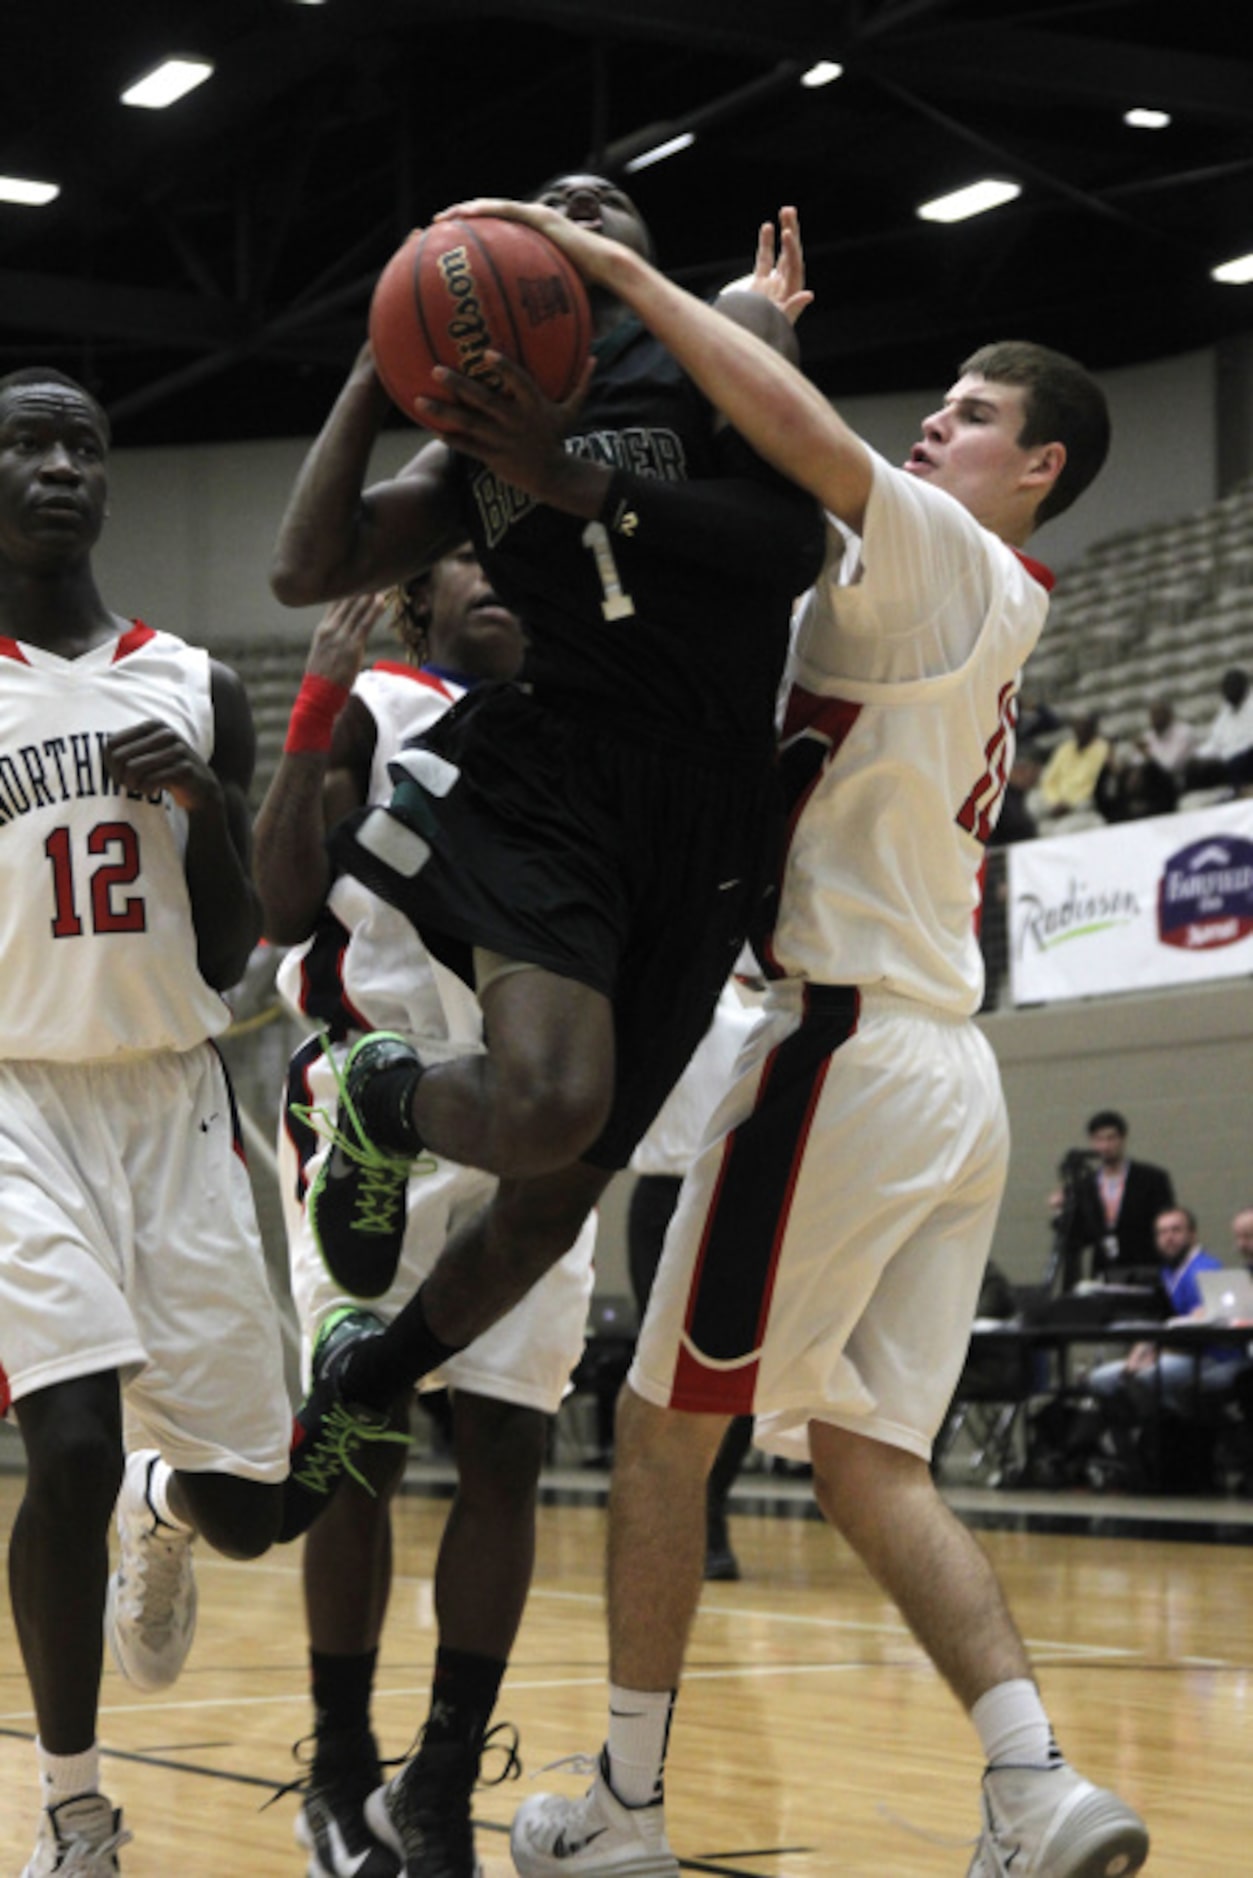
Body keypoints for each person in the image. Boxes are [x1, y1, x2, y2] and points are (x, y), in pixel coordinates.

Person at [433, 201, 1147, 1878]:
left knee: (666, 1424)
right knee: (862, 1454)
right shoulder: (943, 581)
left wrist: (621, 281)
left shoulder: (937, 550)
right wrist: (756, 318)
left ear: (1036, 467)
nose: (938, 419)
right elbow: (775, 462)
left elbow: (802, 442)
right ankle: (1036, 1785)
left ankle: (620, 1802)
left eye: (974, 413)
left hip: (835, 1052)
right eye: (943, 401)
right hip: (943, 1070)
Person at [268, 181, 825, 1536]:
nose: (566, 206)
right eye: (547, 196)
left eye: (603, 202)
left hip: (704, 810)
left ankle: (374, 1380)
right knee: (548, 1104)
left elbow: (790, 538)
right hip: (559, 778)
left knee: (548, 1207)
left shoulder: (704, 345)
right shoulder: (479, 415)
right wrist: (369, 368)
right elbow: (307, 567)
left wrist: (576, 478)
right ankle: (375, 1088)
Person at [256, 560, 597, 1878]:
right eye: (472, 553)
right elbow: (287, 906)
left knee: (509, 1451)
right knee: (361, 1441)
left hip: (534, 1110)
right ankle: (341, 1771)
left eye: (521, 554)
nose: (502, 573)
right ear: (416, 593)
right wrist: (308, 715)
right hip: (372, 1102)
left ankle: (442, 1775)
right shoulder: (381, 707)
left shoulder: (585, 718)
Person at [0, 367, 293, 1875]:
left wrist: (213, 812)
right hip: (16, 1101)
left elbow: (237, 950)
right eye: (29, 444)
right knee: (64, 1440)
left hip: (175, 1098)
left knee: (263, 1504)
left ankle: (172, 1506)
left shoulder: (196, 680)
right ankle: (75, 1809)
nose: (60, 466)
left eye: (85, 446)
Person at [625, 973, 763, 1580]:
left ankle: (710, 1500)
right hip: (658, 1198)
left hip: (726, 1195)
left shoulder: (750, 1029)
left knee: (735, 1370)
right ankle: (675, 1508)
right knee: (661, 1368)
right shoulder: (640, 1021)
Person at [1084, 1206, 1243, 1490]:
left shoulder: (1207, 1269)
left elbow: (1200, 1321)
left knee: (1148, 1379)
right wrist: (1137, 1353)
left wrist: (1155, 1353)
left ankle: (1173, 1433)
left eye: (1176, 1230)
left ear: (1192, 1234)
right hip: (1168, 1353)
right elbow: (1157, 1323)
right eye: (1162, 1232)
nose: (1169, 1238)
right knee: (1101, 1379)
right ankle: (1134, 1464)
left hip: (1207, 1356)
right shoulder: (1165, 1274)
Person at [1053, 1109, 1175, 1283]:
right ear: (1092, 1142)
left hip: (1145, 1267)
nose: (1105, 1146)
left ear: (1122, 1139)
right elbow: (1079, 1236)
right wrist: (1062, 1210)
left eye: (1111, 1138)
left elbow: (1163, 1222)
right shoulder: (1086, 1185)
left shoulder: (1152, 1179)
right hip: (1104, 1270)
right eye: (1099, 1139)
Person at [1027, 710, 1110, 830]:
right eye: (1077, 726)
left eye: (1084, 727)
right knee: (1033, 801)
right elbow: (1049, 780)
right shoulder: (1064, 749)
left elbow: (1090, 782)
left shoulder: (1101, 748)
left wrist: (1069, 804)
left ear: (1092, 729)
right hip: (1057, 803)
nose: (1080, 730)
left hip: (1082, 804)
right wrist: (1055, 801)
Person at [1184, 665, 1253, 794]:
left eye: (1233, 685)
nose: (1229, 690)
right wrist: (1197, 756)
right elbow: (1214, 743)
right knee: (1193, 768)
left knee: (1239, 760)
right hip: (1228, 762)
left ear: (1244, 686)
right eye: (1226, 687)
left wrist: (1229, 755)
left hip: (1247, 757)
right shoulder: (1225, 713)